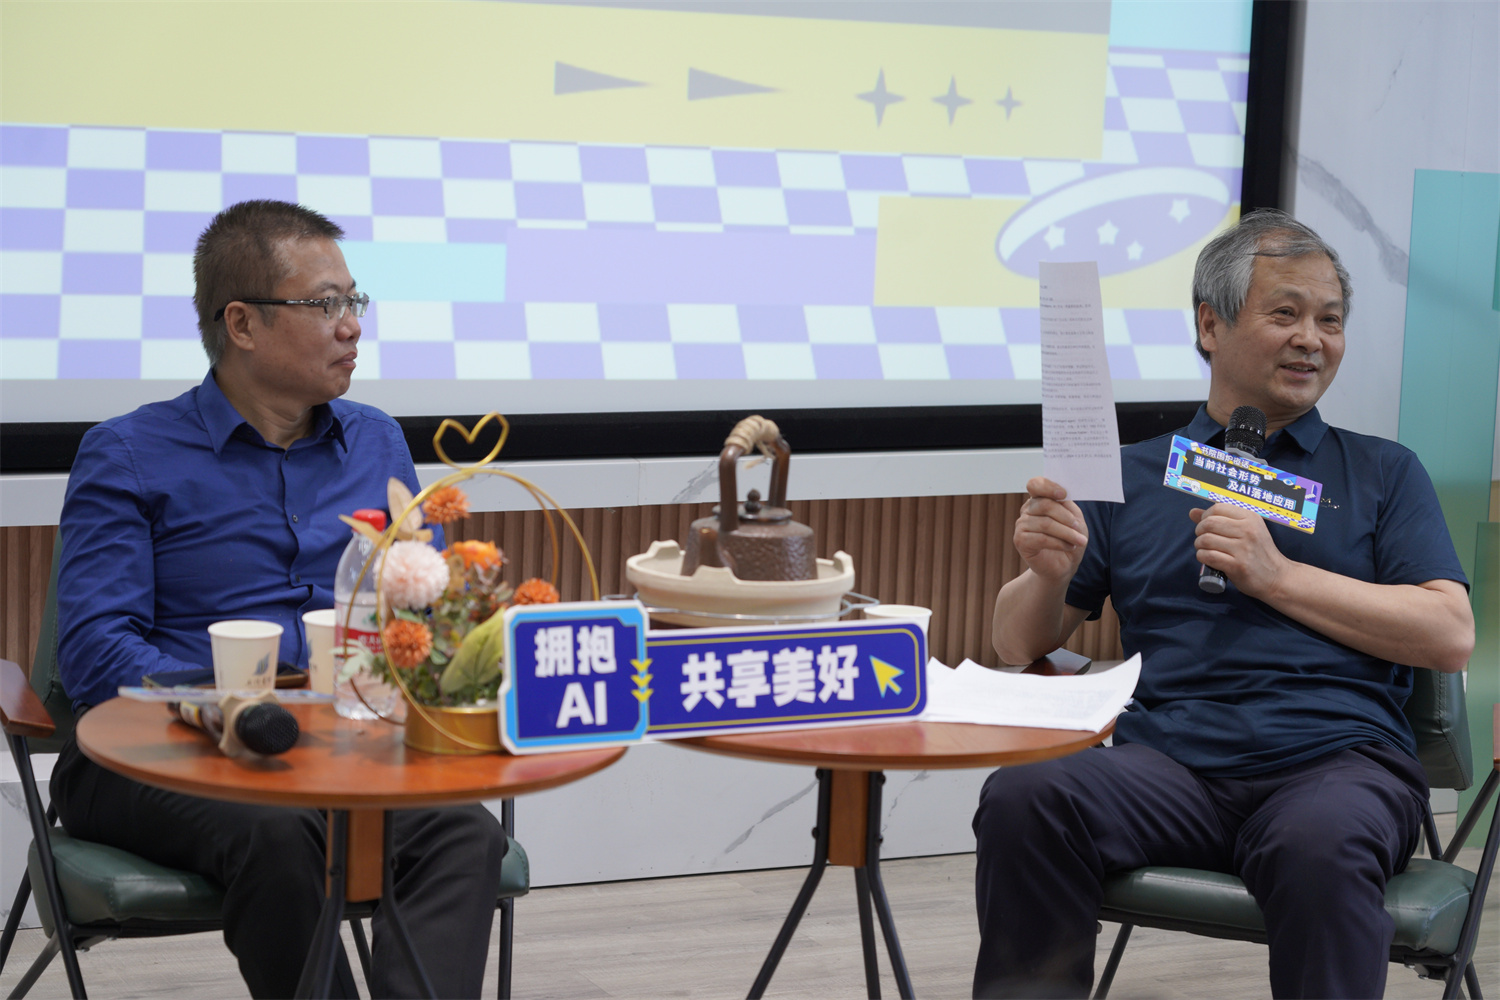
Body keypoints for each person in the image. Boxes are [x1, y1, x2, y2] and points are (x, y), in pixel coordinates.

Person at [974, 209, 1475, 999]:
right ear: (1211, 325)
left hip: (1336, 766)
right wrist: (1046, 575)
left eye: (1330, 320)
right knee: (1026, 797)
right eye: (1286, 314)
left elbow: (1449, 633)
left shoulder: (1384, 472)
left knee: (1318, 846)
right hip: (1169, 768)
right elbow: (1017, 644)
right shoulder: (1132, 474)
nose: (1311, 339)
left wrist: (1277, 577)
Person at [53, 200, 507, 999]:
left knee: (463, 832)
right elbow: (95, 653)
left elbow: (420, 615)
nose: (352, 326)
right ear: (242, 324)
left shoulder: (376, 439)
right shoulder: (127, 452)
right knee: (279, 829)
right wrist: (247, 694)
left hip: (342, 748)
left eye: (354, 301)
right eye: (325, 304)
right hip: (159, 749)